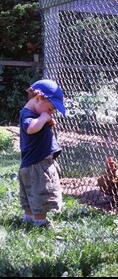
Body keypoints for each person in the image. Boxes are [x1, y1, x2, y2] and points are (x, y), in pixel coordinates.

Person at [18, 79, 66, 227]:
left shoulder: (34, 113)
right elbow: (31, 128)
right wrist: (43, 118)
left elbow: (37, 128)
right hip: (37, 164)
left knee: (31, 193)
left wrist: (45, 121)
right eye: (51, 109)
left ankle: (29, 218)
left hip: (31, 164)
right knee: (40, 193)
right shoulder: (27, 115)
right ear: (38, 98)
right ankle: (40, 221)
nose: (51, 112)